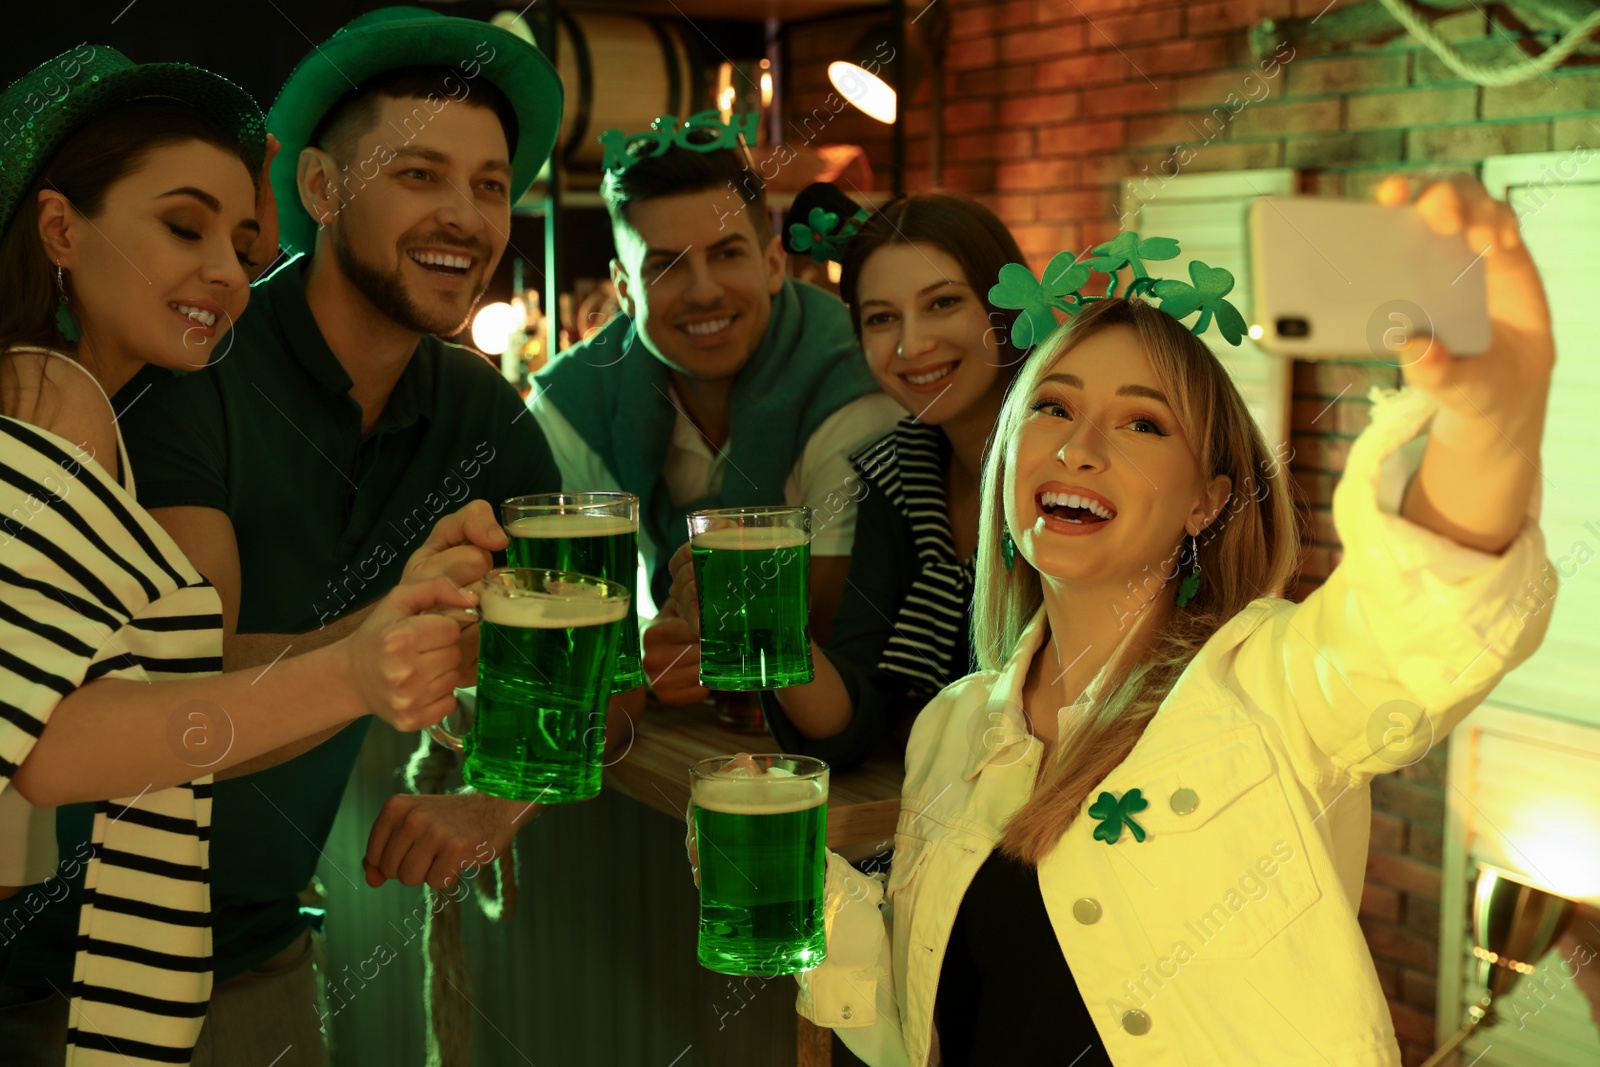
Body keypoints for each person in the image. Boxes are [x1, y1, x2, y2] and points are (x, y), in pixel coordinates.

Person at [779, 176, 1557, 1066]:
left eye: (1142, 424)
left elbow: (1416, 624)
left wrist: (1491, 420)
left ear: (1207, 501)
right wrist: (805, 893)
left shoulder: (1269, 690)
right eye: (1054, 406)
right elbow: (916, 1028)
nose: (1079, 446)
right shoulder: (952, 727)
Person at [3, 10, 572, 1066]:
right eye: (184, 227)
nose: (224, 272)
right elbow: (78, 728)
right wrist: (378, 650)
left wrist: (502, 793)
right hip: (52, 964)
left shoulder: (477, 414)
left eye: (492, 184)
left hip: (223, 950)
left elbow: (592, 665)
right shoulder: (109, 388)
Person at [529, 125, 904, 707]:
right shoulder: (570, 403)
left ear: (774, 264)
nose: (703, 292)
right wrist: (651, 658)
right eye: (667, 266)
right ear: (625, 291)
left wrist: (679, 651)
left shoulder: (854, 383)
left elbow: (830, 625)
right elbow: (561, 627)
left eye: (727, 254)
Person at [665, 184, 1026, 772]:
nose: (913, 344)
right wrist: (764, 625)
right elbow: (849, 721)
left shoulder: (1067, 469)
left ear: (1005, 306)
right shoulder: (900, 475)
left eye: (943, 303)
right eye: (882, 318)